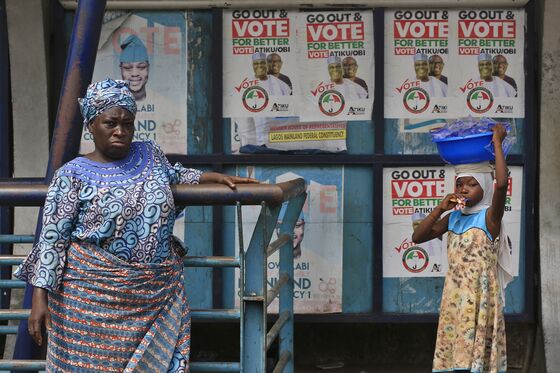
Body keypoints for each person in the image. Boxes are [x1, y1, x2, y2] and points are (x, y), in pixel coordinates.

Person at [14, 78, 258, 372]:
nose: (121, 131)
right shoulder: (71, 176)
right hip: (87, 304)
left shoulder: (149, 155)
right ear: (91, 125)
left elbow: (176, 175)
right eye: (110, 123)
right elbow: (52, 239)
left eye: (128, 123)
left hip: (152, 296)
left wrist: (217, 178)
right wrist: (39, 297)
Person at [412, 123, 513, 373]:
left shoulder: (490, 217)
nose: (463, 189)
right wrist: (440, 209)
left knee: (478, 358)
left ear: (484, 187)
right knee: (455, 357)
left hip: (481, 296)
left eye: (471, 184)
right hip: (455, 296)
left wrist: (497, 143)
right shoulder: (454, 217)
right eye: (459, 185)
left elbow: (501, 184)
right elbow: (418, 237)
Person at [119, 34, 150, 102]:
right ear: (121, 70)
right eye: (127, 68)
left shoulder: (164, 104)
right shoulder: (110, 105)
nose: (134, 73)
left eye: (142, 67)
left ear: (148, 69)